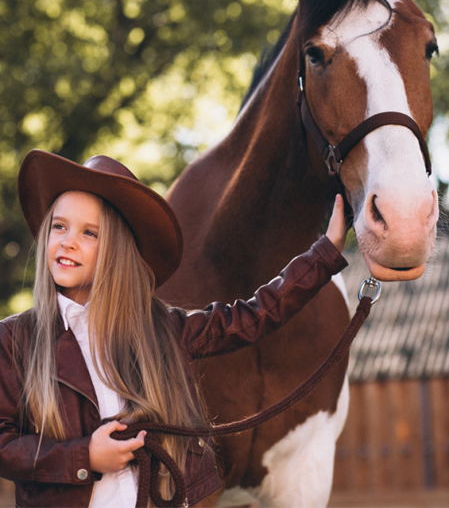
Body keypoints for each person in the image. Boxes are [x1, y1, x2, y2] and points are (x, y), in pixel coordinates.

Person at [0, 149, 348, 508]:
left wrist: (325, 254)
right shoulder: (13, 341)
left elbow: (253, 316)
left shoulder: (159, 329)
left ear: (116, 252)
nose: (68, 240)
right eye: (59, 225)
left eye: (90, 233)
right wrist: (84, 457)